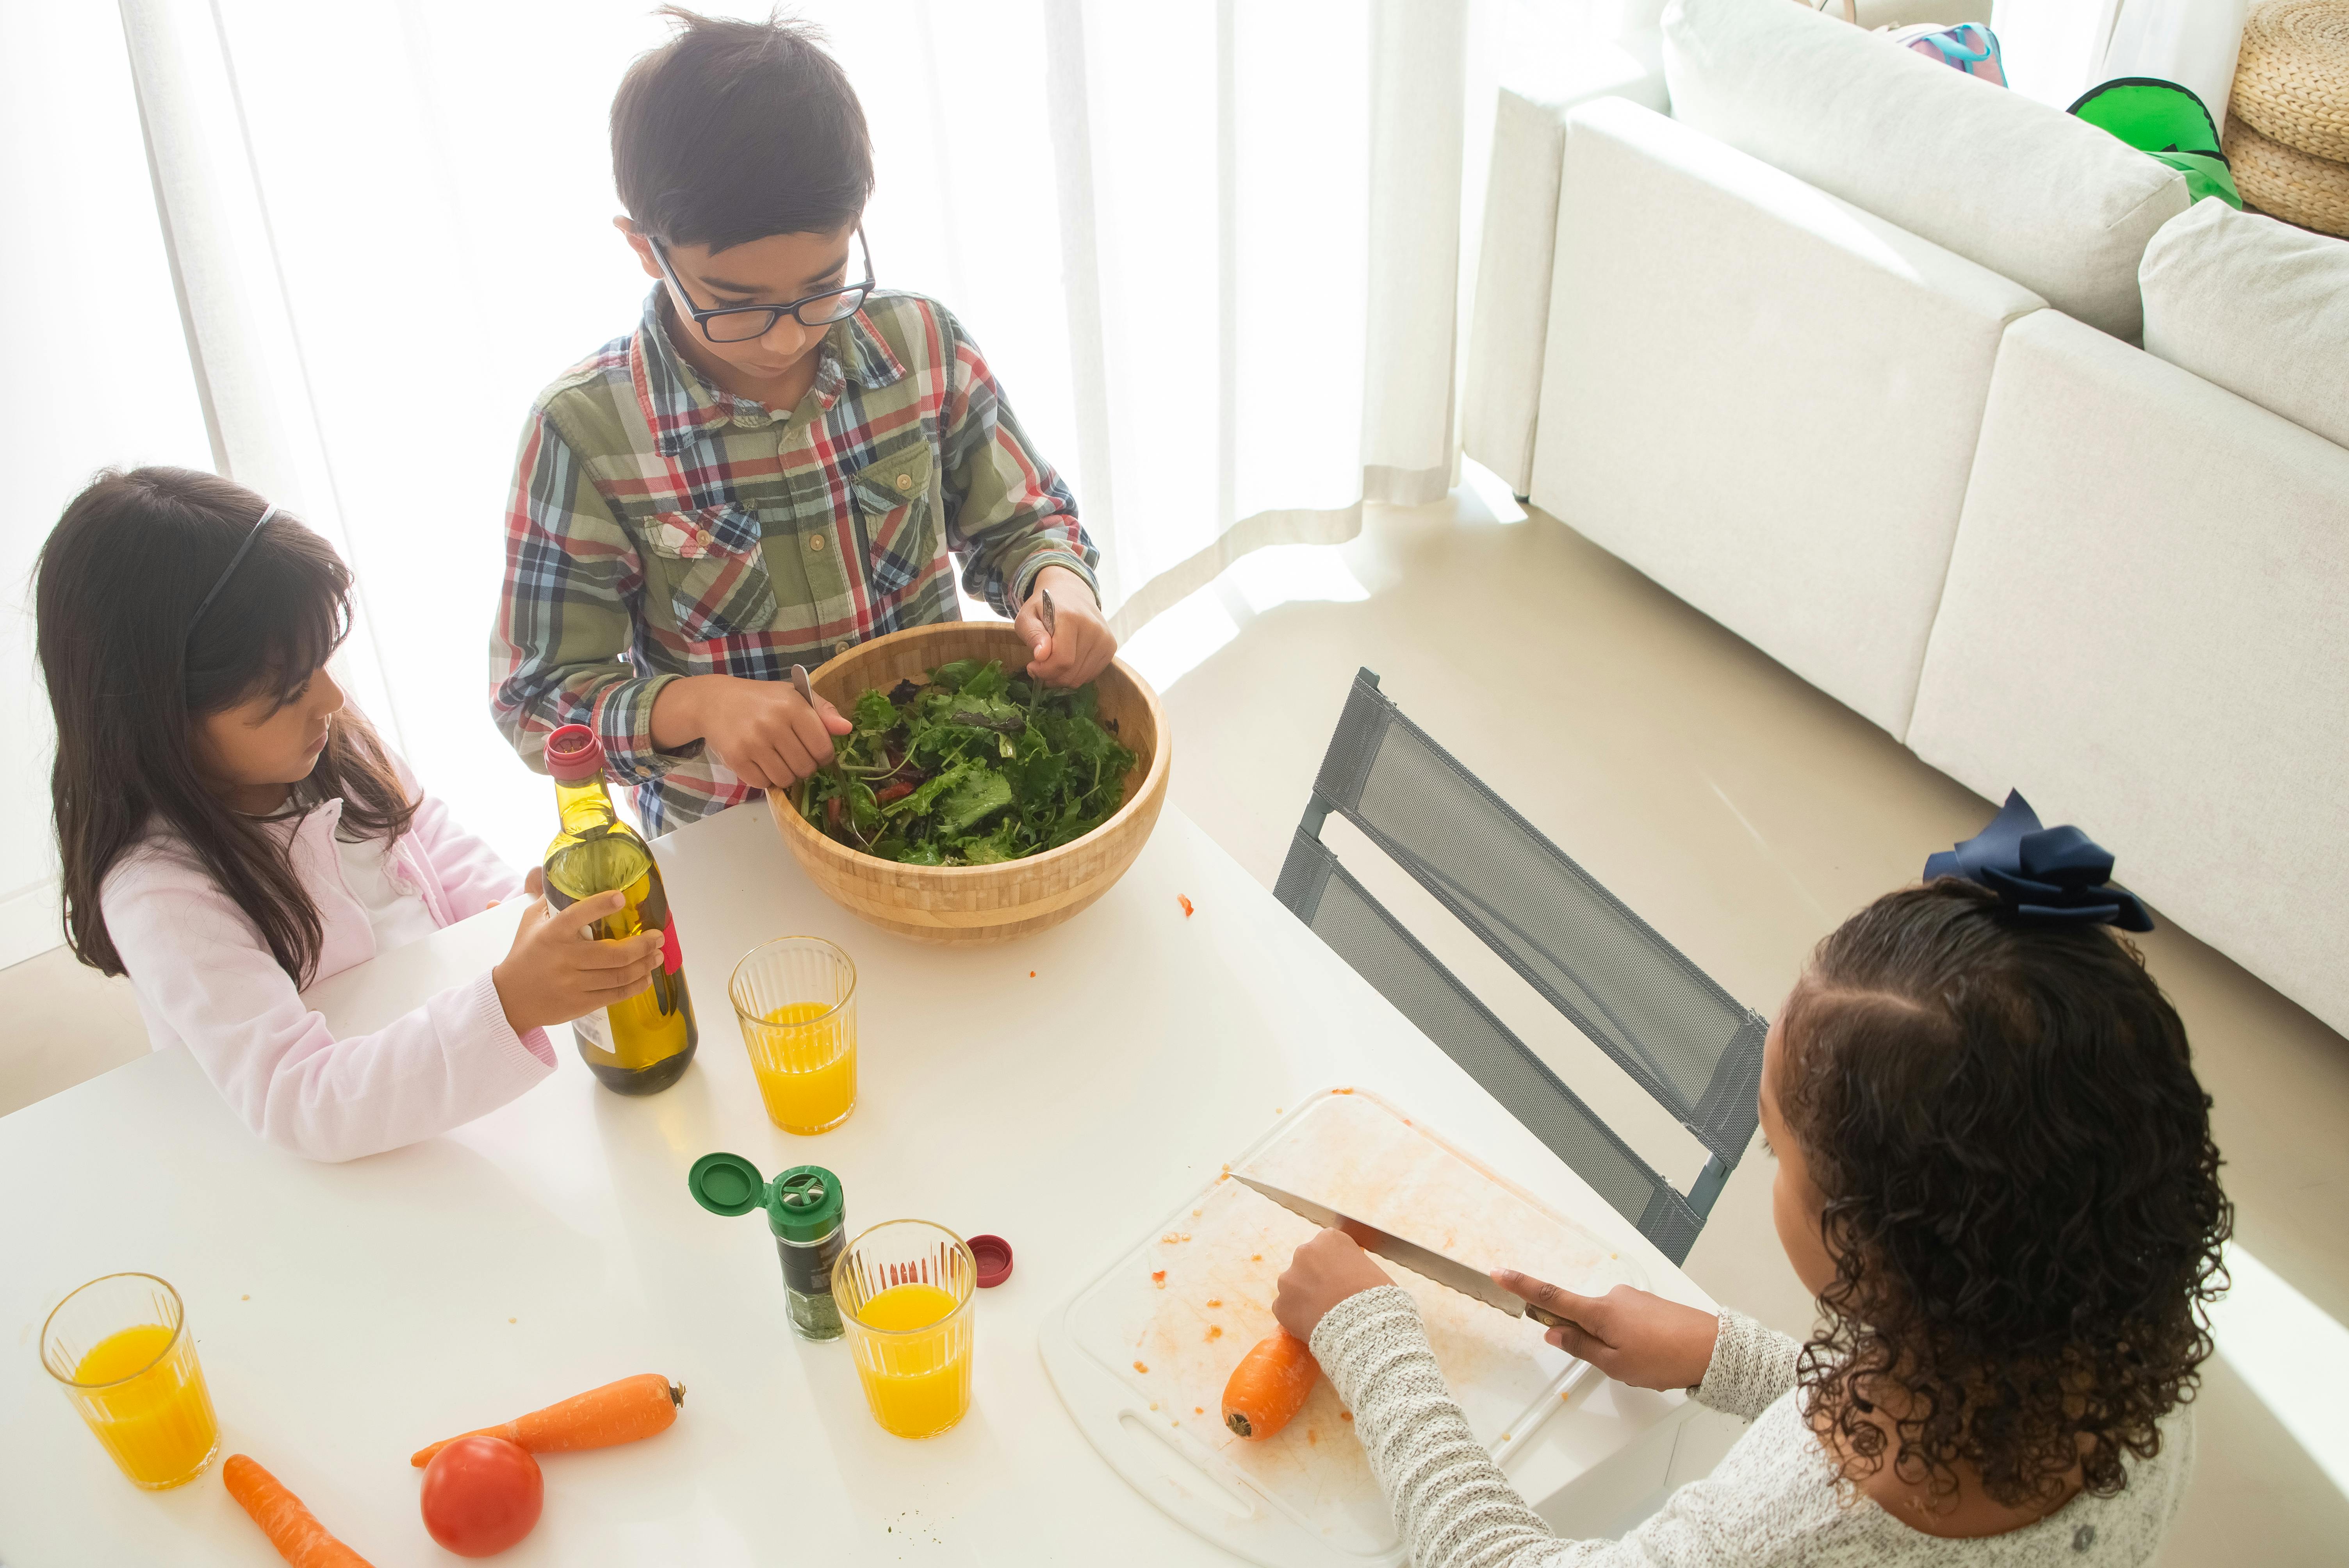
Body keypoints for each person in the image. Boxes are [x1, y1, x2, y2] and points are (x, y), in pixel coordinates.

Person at [1271, 797, 2231, 1564]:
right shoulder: (2122, 1337)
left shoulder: (1786, 1534)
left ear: (1874, 1243)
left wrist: (1376, 1341)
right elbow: (1952, 1380)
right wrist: (1721, 1353)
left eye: (1776, 1150)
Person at [490, 8, 1113, 836]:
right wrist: (698, 704)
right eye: (735, 305)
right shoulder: (585, 433)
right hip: (737, 844)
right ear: (645, 250)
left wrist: (1058, 585)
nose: (788, 336)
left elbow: (1025, 524)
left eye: (824, 284)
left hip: (939, 810)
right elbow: (536, 698)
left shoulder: (919, 344)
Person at [37, 468, 665, 1162]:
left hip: (453, 1106)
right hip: (351, 1161)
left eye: (324, 661)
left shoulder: (317, 737)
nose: (332, 698)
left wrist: (506, 916)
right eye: (284, 693)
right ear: (158, 723)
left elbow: (425, 833)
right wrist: (510, 1002)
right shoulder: (159, 893)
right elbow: (301, 1102)